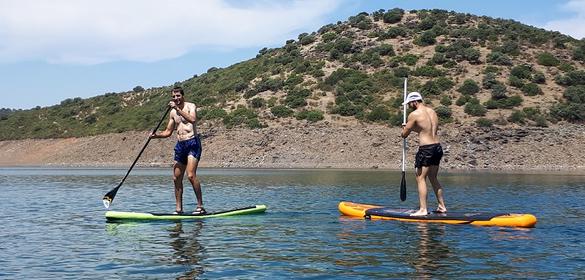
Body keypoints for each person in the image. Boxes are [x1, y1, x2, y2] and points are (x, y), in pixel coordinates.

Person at [150, 86, 205, 215]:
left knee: (191, 175)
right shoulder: (172, 113)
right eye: (174, 97)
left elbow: (192, 120)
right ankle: (178, 209)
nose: (176, 98)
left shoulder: (190, 106)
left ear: (183, 96)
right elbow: (168, 132)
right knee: (176, 178)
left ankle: (200, 206)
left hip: (193, 143)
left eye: (178, 96)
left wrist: (177, 109)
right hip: (180, 145)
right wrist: (155, 135)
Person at [401, 92, 446, 216]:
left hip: (426, 149)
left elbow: (404, 135)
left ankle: (423, 209)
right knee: (433, 177)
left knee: (420, 178)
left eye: (410, 103)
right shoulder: (432, 112)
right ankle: (442, 206)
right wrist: (411, 128)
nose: (409, 106)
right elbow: (425, 130)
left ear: (415, 102)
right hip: (437, 147)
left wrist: (404, 128)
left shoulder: (414, 114)